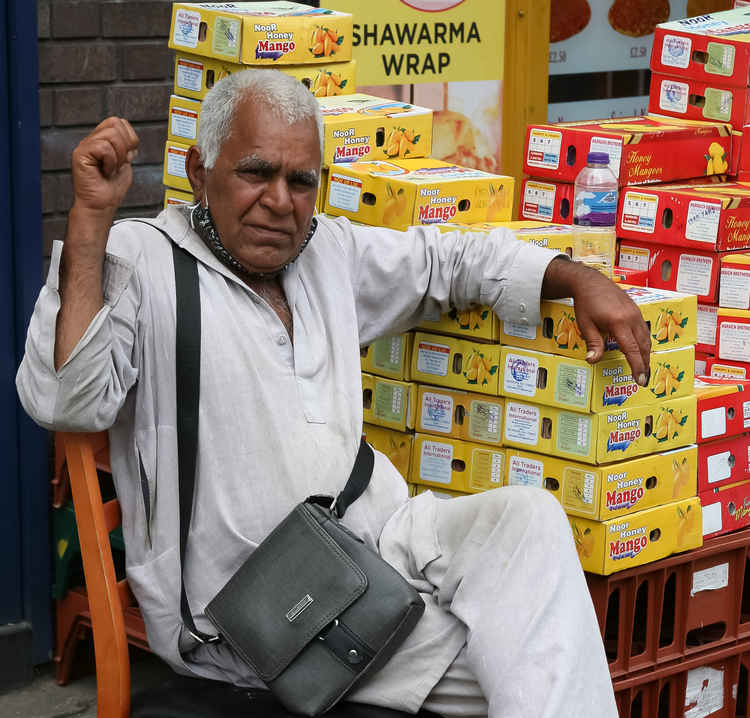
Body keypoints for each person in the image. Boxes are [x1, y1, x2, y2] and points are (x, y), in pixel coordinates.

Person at [18, 70, 649, 717]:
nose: (279, 200)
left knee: (530, 523)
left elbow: (447, 261)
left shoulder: (327, 252)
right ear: (199, 172)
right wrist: (91, 219)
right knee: (536, 656)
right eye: (255, 173)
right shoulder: (144, 261)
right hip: (271, 614)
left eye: (300, 182)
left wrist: (574, 278)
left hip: (382, 550)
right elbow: (66, 400)